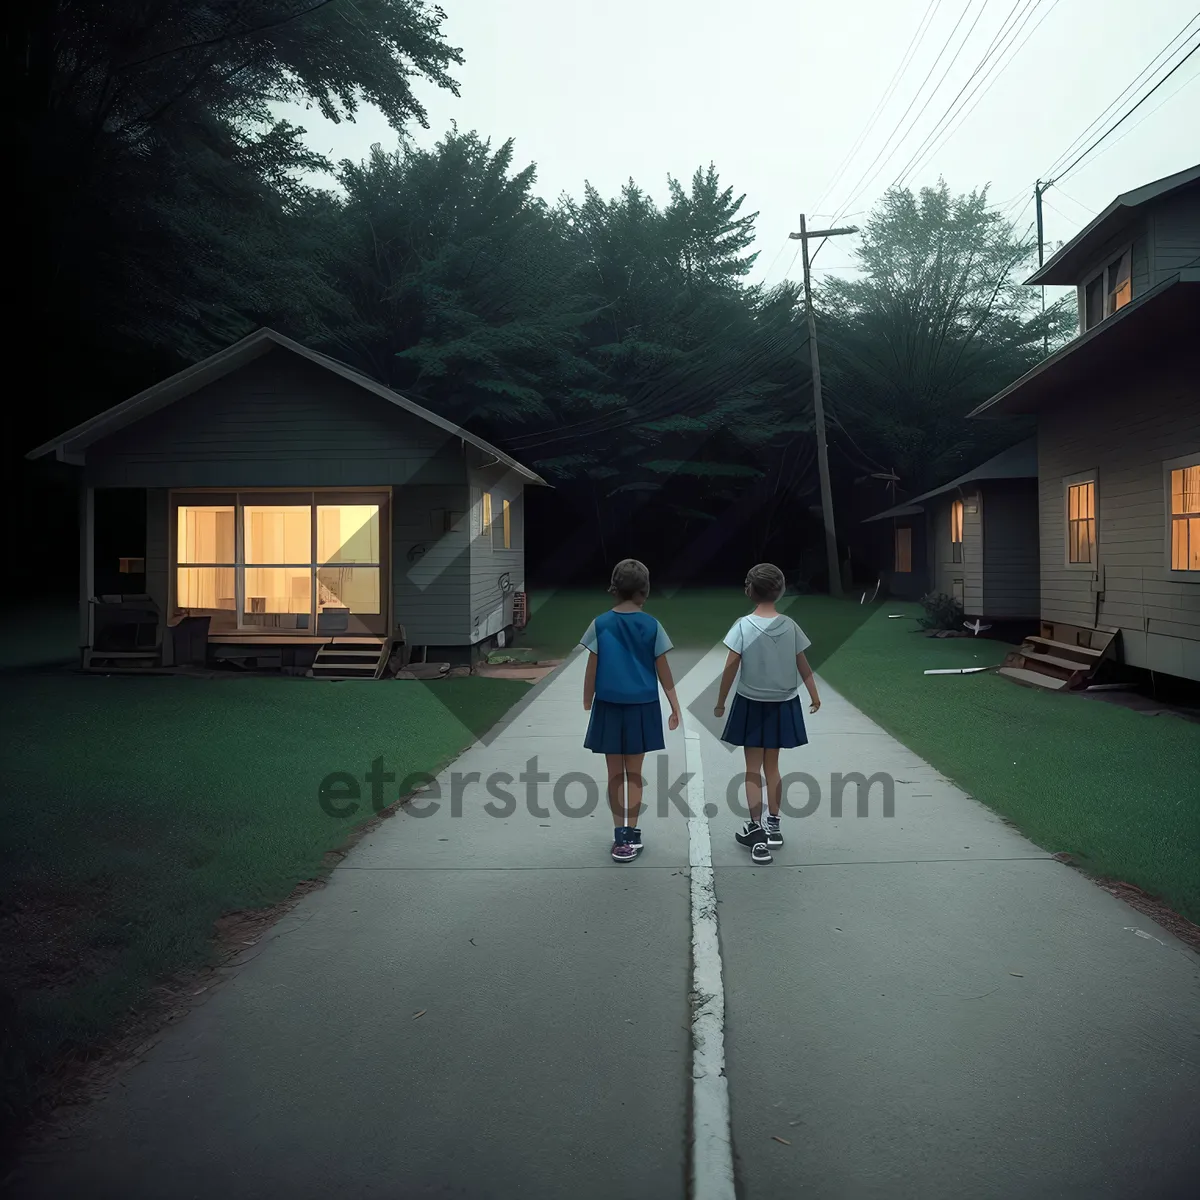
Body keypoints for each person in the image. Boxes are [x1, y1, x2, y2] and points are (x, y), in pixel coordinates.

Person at [714, 563, 820, 864]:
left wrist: (721, 701)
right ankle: (774, 826)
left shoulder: (743, 626)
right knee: (772, 767)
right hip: (782, 704)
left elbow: (730, 666)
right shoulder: (790, 625)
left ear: (750, 590)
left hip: (751, 703)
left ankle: (756, 830)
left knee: (752, 769)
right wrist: (813, 695)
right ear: (781, 590)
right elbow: (803, 664)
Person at [581, 559, 681, 862]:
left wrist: (588, 699)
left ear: (614, 588)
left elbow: (592, 666)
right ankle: (633, 834)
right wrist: (675, 707)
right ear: (644, 591)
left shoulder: (600, 623)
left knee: (614, 774)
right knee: (634, 773)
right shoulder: (652, 625)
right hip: (643, 707)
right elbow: (663, 671)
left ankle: (619, 836)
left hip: (609, 706)